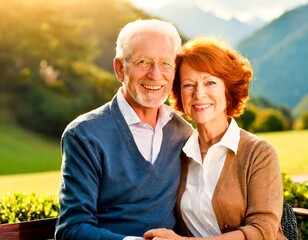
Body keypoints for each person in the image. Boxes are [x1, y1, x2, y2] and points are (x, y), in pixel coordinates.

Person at [55, 19, 193, 240]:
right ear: (120, 69)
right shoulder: (84, 134)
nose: (156, 75)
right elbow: (72, 229)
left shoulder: (183, 133)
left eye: (166, 63)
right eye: (143, 62)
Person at [144, 37, 286, 240]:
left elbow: (263, 231)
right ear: (179, 95)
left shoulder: (259, 153)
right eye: (188, 85)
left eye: (210, 82)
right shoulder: (179, 152)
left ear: (228, 91)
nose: (199, 94)